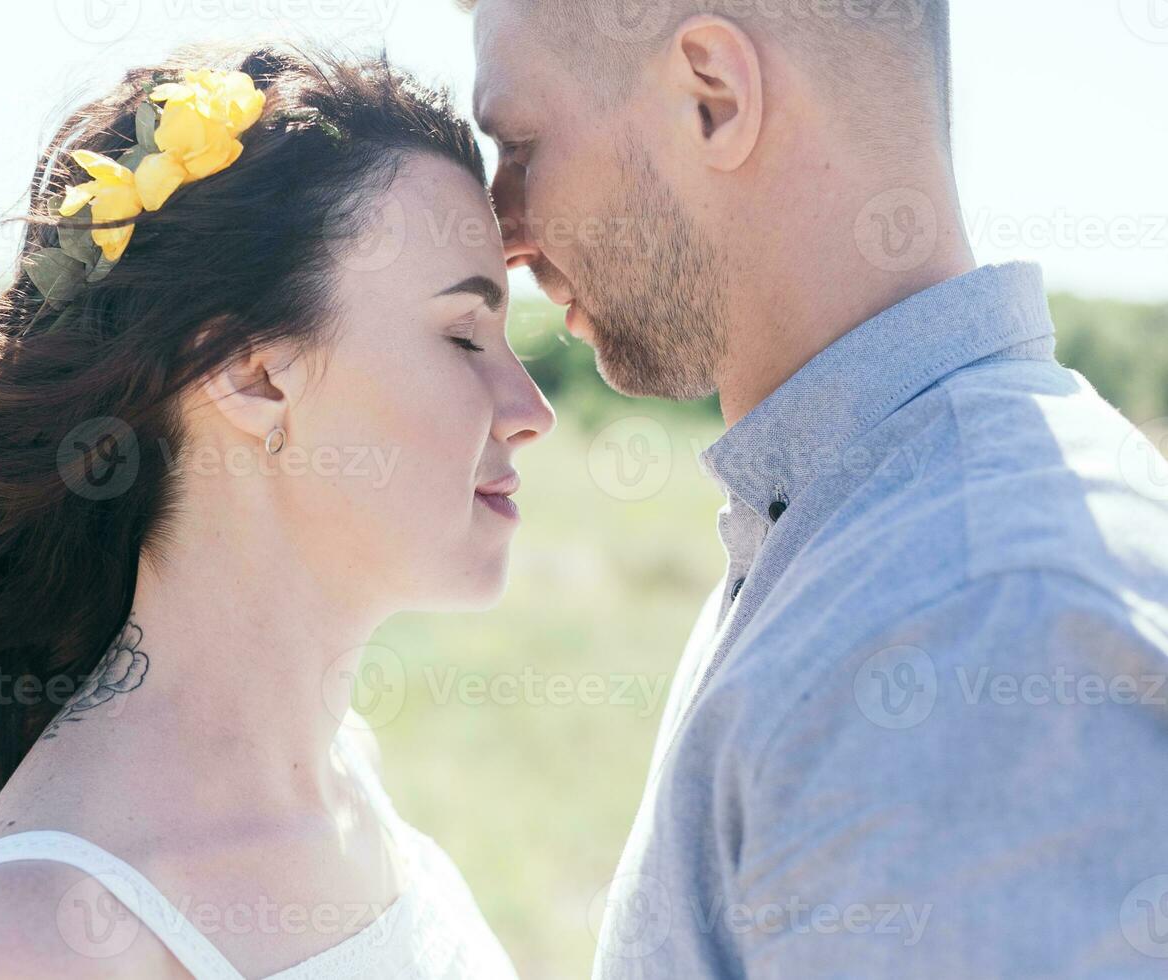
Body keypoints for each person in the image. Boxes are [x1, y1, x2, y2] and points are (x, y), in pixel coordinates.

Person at [0, 44, 551, 978]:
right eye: (463, 336)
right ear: (249, 375)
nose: (532, 410)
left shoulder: (345, 779)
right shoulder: (43, 938)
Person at [467, 0, 1168, 975]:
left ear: (711, 97)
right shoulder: (845, 525)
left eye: (519, 146)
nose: (500, 231)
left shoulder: (973, 614)